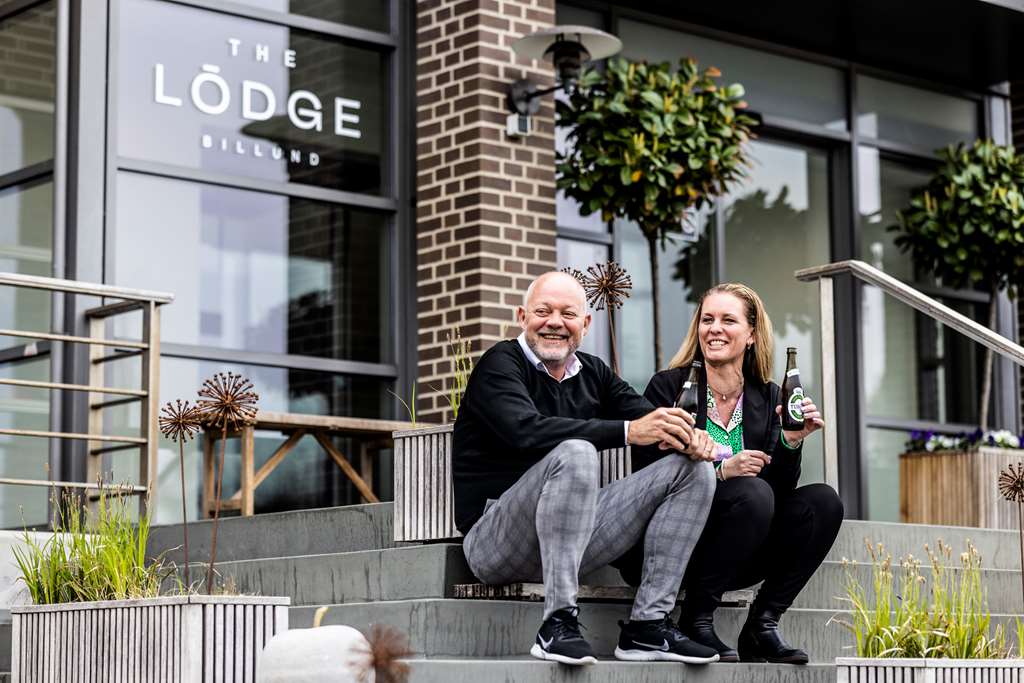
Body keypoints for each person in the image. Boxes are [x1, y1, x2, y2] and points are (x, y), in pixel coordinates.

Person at [453, 271, 721, 666]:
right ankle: (558, 622)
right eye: (543, 312)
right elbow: (524, 430)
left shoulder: (593, 372)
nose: (555, 322)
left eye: (567, 314)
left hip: (571, 537)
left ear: (586, 323)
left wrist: (691, 438)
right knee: (577, 451)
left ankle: (648, 626)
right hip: (495, 541)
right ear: (522, 316)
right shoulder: (500, 363)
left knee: (692, 471)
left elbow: (650, 418)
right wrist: (629, 431)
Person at [620, 283, 844, 664]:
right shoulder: (669, 386)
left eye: (728, 320)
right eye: (707, 319)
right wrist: (721, 472)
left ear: (751, 335)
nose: (715, 329)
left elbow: (776, 491)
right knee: (751, 493)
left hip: (738, 546)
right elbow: (646, 473)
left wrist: (790, 442)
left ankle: (762, 624)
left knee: (823, 502)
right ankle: (696, 618)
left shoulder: (769, 396)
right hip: (671, 542)